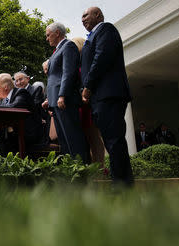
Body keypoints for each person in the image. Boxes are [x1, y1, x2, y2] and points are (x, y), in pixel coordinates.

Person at [80, 7, 133, 185]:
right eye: (81, 17)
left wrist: (88, 86)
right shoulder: (92, 36)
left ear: (99, 16)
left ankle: (122, 186)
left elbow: (101, 57)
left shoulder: (106, 29)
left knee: (114, 141)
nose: (83, 19)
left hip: (109, 94)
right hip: (100, 97)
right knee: (111, 142)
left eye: (86, 15)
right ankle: (121, 182)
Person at [42, 22, 88, 162]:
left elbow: (68, 73)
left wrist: (62, 95)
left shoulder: (68, 46)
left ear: (57, 33)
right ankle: (72, 169)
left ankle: (82, 169)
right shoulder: (56, 51)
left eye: (48, 35)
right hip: (55, 101)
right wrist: (50, 99)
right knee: (63, 140)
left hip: (65, 100)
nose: (47, 38)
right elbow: (54, 78)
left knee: (72, 137)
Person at [72, 36, 105, 165]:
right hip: (80, 106)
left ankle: (100, 167)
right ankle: (92, 165)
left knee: (94, 138)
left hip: (88, 104)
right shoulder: (75, 64)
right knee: (86, 139)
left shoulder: (86, 63)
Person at [0, 73, 43, 154]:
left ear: (5, 87)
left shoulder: (21, 93)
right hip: (13, 136)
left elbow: (14, 108)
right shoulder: (4, 101)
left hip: (27, 136)